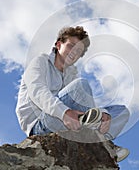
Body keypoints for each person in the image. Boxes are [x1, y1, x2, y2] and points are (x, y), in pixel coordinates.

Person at [16, 26, 130, 162]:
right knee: (81, 86)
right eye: (70, 46)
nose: (74, 53)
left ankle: (100, 138)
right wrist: (65, 112)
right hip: (41, 125)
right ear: (59, 45)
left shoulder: (72, 74)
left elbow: (85, 103)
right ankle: (102, 143)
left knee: (121, 111)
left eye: (78, 51)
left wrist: (103, 114)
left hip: (71, 122)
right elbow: (38, 91)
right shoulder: (40, 62)